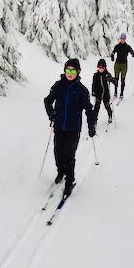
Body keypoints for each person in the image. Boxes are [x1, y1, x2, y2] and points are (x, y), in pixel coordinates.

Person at [43, 58, 93, 196]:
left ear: (78, 72)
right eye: (68, 70)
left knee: (69, 156)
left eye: (73, 71)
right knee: (58, 153)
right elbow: (47, 101)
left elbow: (88, 108)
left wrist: (91, 125)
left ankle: (69, 182)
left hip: (73, 129)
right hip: (59, 127)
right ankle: (61, 172)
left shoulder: (82, 90)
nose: (70, 73)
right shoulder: (58, 85)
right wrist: (52, 115)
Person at [89, 59, 117, 135]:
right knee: (96, 108)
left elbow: (115, 82)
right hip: (98, 94)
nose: (101, 69)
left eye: (102, 67)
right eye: (99, 67)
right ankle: (95, 120)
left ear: (105, 67)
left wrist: (110, 79)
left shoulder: (107, 74)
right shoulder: (96, 75)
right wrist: (93, 91)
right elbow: (93, 84)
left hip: (106, 94)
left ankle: (110, 115)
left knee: (107, 106)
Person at [110, 33, 134, 98]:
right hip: (117, 64)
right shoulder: (117, 46)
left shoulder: (127, 46)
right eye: (121, 38)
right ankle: (115, 92)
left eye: (124, 39)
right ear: (120, 39)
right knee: (116, 79)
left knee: (122, 79)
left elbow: (131, 51)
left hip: (124, 65)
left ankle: (121, 93)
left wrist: (132, 54)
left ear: (125, 39)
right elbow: (113, 52)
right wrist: (112, 55)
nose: (122, 40)